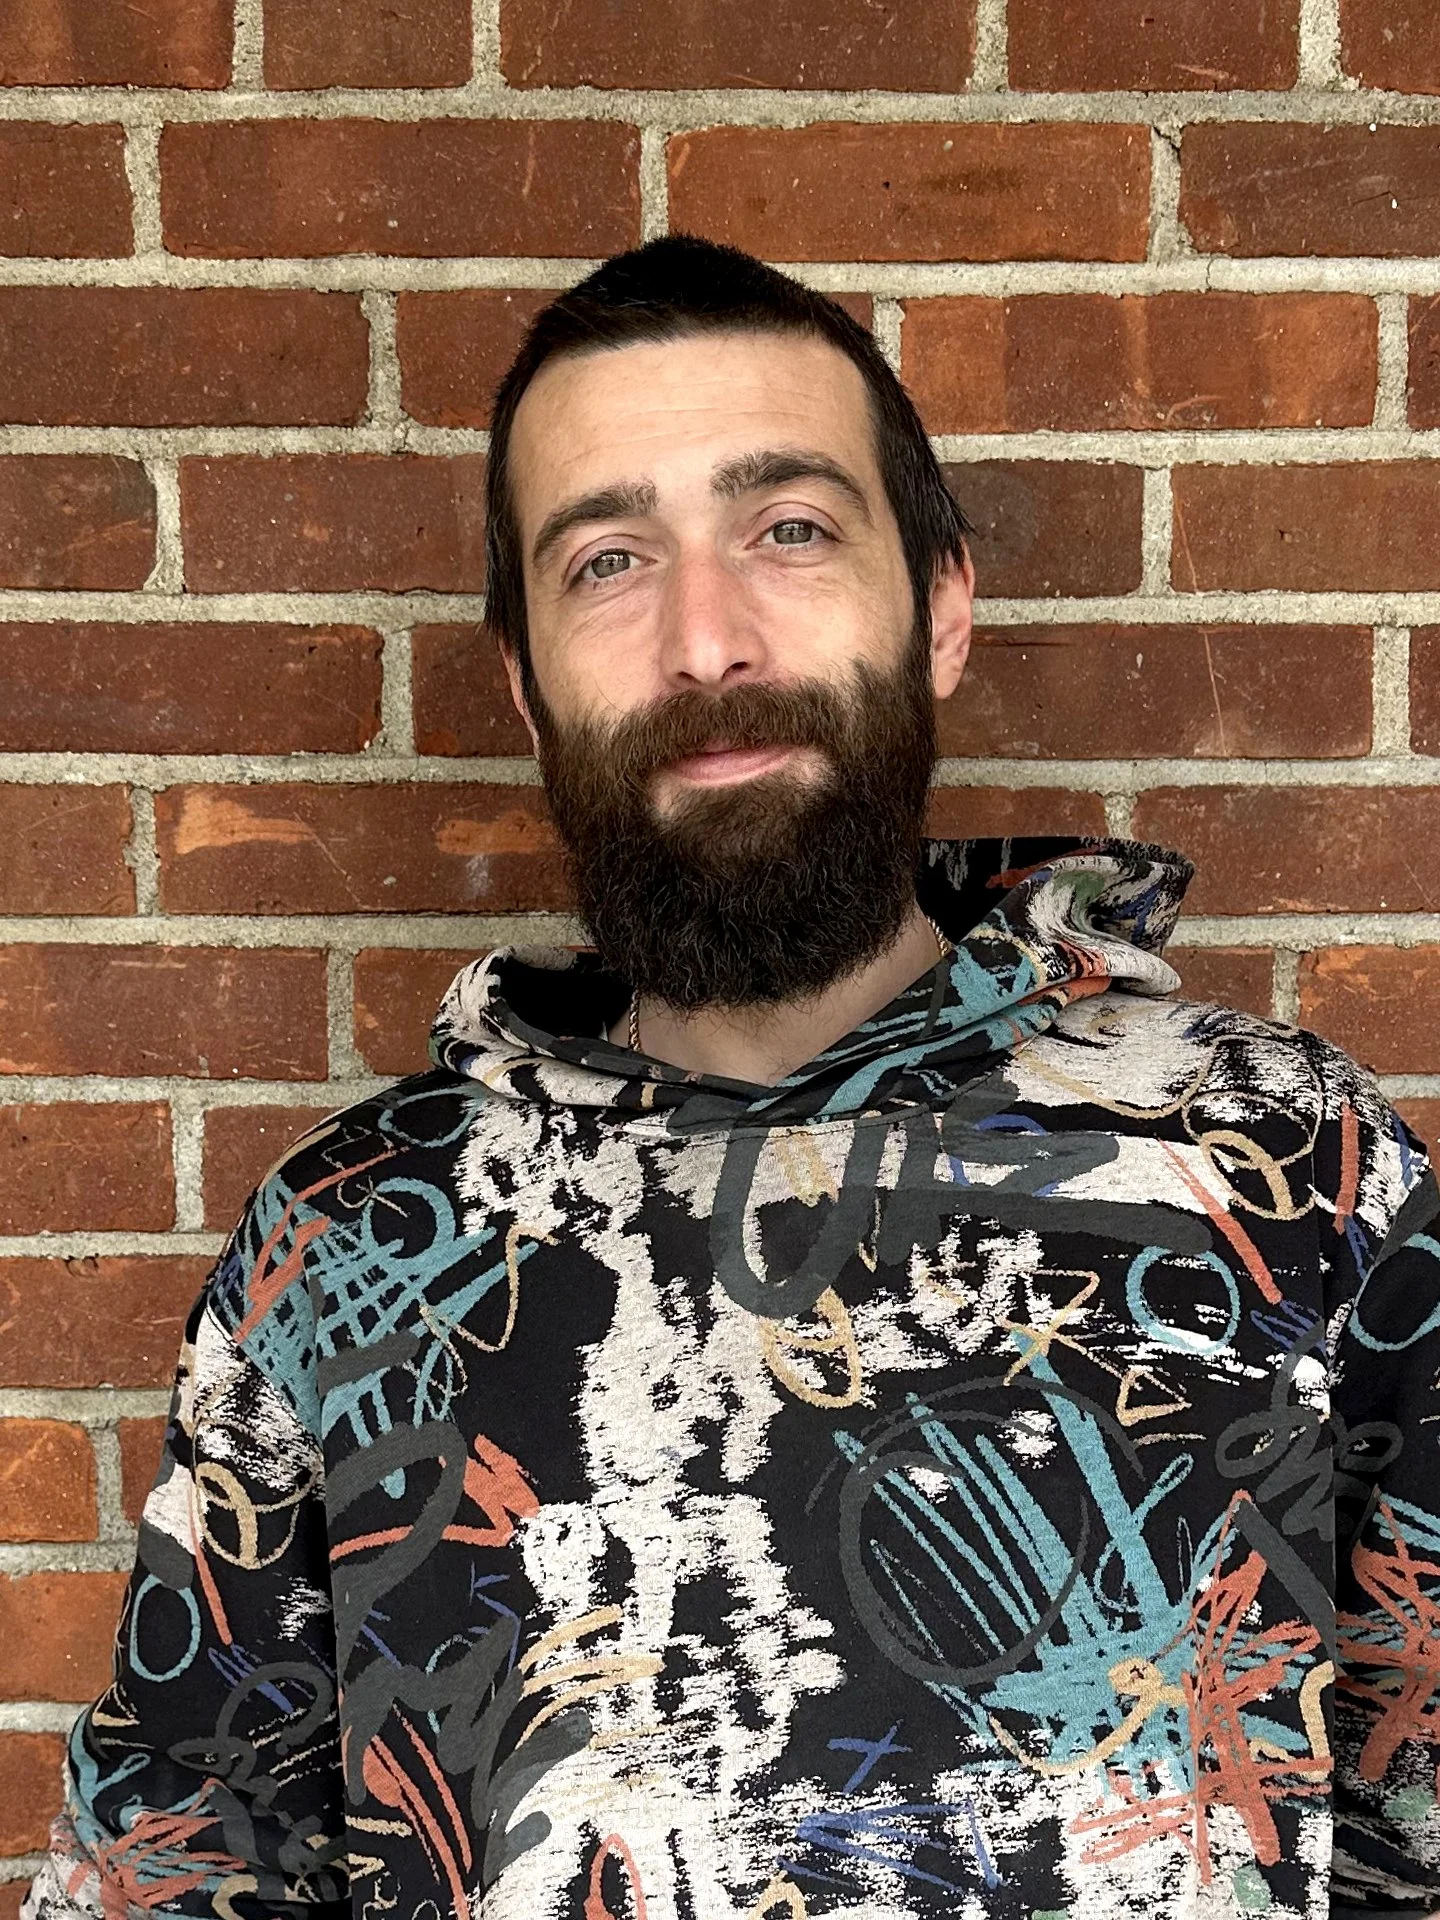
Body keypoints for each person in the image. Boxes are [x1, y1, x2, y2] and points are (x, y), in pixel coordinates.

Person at [23, 234, 1440, 1920]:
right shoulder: (340, 1251)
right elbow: (175, 1874)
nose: (708, 641)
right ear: (527, 689)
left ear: (943, 606)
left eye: (790, 530)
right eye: (609, 560)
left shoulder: (1286, 1164)